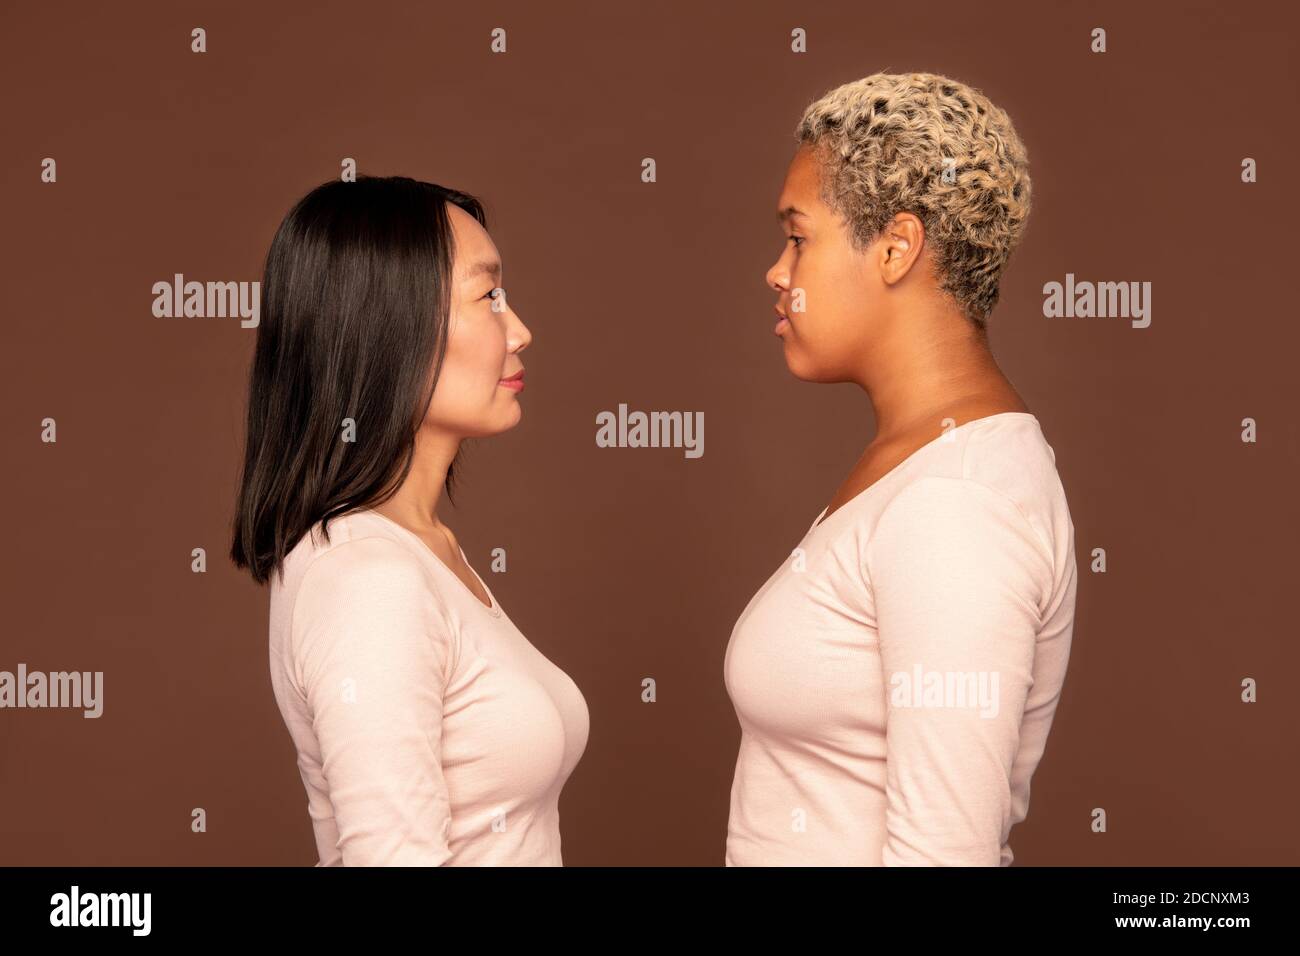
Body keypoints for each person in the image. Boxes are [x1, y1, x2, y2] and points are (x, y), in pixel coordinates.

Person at [724, 72, 1078, 865]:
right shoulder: (919, 469)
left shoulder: (957, 503)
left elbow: (942, 855)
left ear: (896, 247)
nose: (777, 272)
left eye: (798, 236)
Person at [230, 176, 588, 865]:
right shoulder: (368, 578)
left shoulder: (415, 552)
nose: (520, 331)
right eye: (489, 297)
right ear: (386, 326)